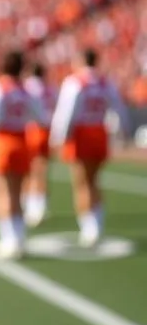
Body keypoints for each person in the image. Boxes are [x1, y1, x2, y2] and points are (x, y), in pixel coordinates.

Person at [50, 49, 129, 247]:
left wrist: (61, 136)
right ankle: (97, 221)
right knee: (94, 180)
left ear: (81, 60)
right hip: (99, 133)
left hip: (81, 135)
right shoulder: (105, 83)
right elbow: (119, 109)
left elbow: (67, 112)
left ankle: (89, 226)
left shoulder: (75, 82)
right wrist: (122, 133)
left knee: (81, 182)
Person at [0, 51, 44, 259]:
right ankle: (19, 237)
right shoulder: (26, 90)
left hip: (2, 142)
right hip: (22, 141)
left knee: (3, 193)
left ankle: (9, 240)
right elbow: (40, 117)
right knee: (17, 193)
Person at [23, 62, 56, 228]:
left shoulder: (28, 87)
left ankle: (32, 205)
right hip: (47, 130)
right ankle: (40, 204)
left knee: (30, 169)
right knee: (42, 169)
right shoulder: (50, 88)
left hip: (32, 129)